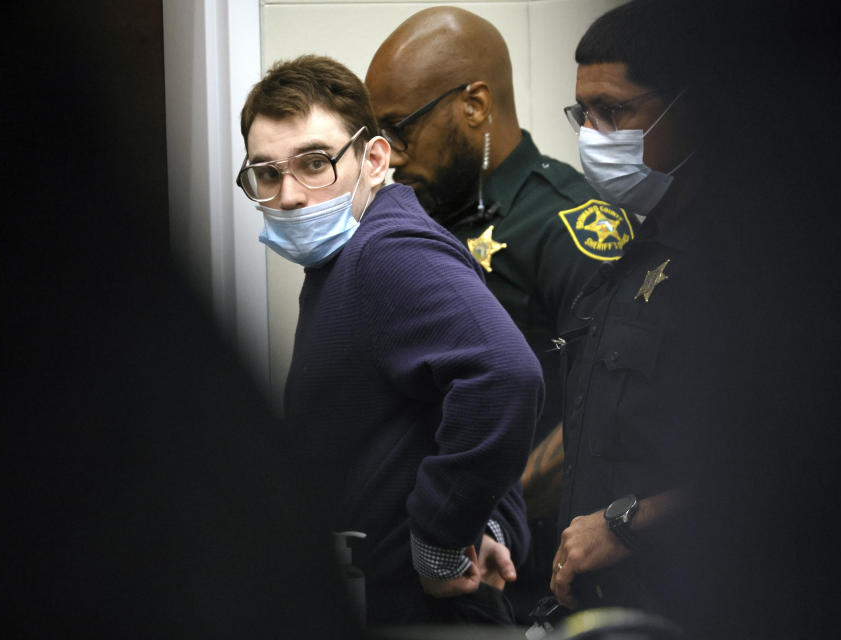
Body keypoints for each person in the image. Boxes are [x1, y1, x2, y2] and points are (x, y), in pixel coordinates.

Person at [235, 55, 543, 626]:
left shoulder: (387, 251)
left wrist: (440, 545)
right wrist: (487, 524)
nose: (291, 195)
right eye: (267, 173)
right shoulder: (345, 259)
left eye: (314, 162)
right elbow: (446, 407)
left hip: (421, 616)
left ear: (374, 159)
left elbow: (506, 375)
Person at [365, 6, 633, 615]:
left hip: (535, 574)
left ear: (476, 106)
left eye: (399, 128)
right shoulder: (424, 218)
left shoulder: (570, 226)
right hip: (437, 563)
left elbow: (611, 417)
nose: (392, 154)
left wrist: (483, 510)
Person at [547, 0, 731, 618]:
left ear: (693, 106)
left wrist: (628, 523)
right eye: (585, 112)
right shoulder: (635, 251)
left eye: (616, 111)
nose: (593, 135)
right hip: (614, 608)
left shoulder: (747, 264)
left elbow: (788, 461)